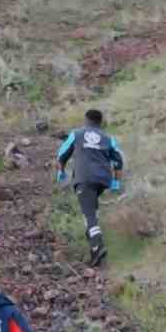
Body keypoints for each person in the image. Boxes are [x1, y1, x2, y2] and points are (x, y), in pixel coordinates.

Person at [56, 108, 124, 266]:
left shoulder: (77, 134)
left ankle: (98, 245)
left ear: (86, 120)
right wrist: (116, 182)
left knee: (89, 216)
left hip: (84, 178)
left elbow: (62, 154)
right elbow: (118, 161)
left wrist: (61, 172)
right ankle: (94, 254)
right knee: (91, 210)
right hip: (102, 180)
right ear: (100, 123)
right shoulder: (108, 138)